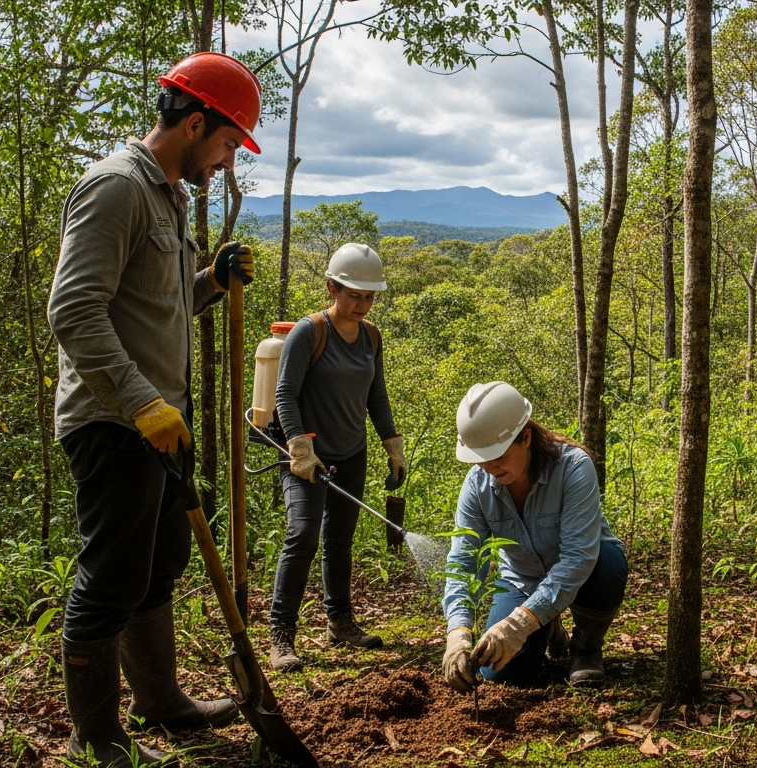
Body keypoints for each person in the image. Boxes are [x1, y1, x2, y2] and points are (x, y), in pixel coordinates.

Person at [47, 52, 262, 765]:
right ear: (194, 123)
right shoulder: (116, 188)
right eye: (228, 144)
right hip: (115, 421)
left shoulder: (168, 196)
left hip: (162, 423)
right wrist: (141, 401)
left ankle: (162, 702)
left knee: (158, 565)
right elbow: (74, 310)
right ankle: (94, 738)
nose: (227, 162)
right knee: (112, 577)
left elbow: (152, 307)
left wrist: (210, 281)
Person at [267, 243, 407, 671]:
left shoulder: (371, 336)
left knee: (339, 541)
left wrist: (392, 444)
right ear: (332, 288)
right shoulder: (309, 332)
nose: (362, 304)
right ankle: (281, 634)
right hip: (306, 456)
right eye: (354, 295)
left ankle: (340, 622)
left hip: (351, 453)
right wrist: (300, 448)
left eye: (369, 297)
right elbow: (284, 394)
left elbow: (376, 394)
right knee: (302, 536)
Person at [440, 382, 628, 689]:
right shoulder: (476, 485)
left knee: (607, 563)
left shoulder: (573, 468)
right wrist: (458, 632)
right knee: (501, 674)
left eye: (497, 455)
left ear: (526, 438)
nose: (488, 466)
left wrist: (520, 624)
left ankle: (586, 649)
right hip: (522, 580)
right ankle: (549, 627)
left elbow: (579, 558)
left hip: (585, 575)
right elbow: (464, 561)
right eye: (480, 457)